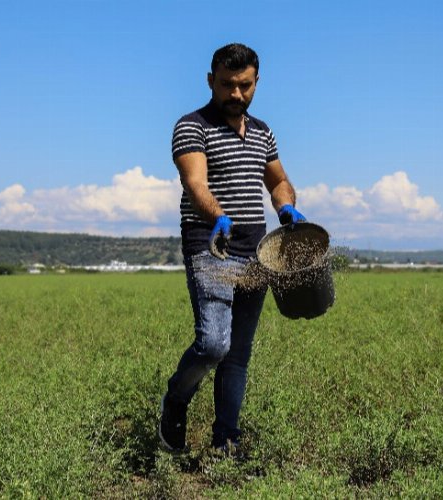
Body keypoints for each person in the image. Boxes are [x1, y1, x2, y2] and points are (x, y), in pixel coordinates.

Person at [159, 43, 306, 454]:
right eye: (226, 85)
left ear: (256, 82)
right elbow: (196, 183)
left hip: (257, 251)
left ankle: (225, 440)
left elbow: (277, 180)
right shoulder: (192, 126)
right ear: (211, 81)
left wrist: (286, 206)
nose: (235, 94)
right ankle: (175, 401)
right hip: (211, 248)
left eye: (244, 86)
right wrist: (217, 215)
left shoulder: (263, 132)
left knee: (237, 355)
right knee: (213, 344)